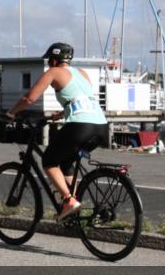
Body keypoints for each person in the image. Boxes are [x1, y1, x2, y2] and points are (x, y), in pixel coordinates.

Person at [6, 42, 109, 222]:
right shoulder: (82, 74)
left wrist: (11, 113)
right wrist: (61, 114)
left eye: (49, 61)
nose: (48, 64)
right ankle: (72, 204)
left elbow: (29, 98)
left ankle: (69, 201)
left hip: (80, 126)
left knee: (49, 160)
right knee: (67, 162)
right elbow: (82, 100)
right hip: (101, 126)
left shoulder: (53, 73)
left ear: (54, 60)